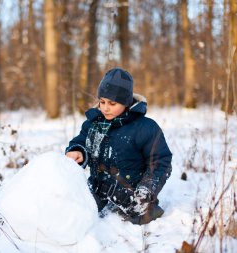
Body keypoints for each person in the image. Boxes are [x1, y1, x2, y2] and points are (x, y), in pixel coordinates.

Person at [65, 67, 172, 225]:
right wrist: (78, 151)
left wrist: (146, 189)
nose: (105, 108)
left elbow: (160, 161)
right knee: (76, 211)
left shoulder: (145, 128)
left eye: (112, 103)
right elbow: (82, 140)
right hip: (98, 186)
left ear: (126, 103)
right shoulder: (94, 123)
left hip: (131, 191)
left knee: (142, 217)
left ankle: (144, 207)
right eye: (102, 102)